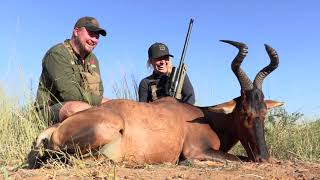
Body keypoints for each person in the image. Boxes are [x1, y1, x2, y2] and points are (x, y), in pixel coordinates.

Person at [35, 16, 109, 124]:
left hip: (88, 107)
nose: (94, 39)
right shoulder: (58, 54)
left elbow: (99, 91)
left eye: (97, 36)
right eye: (91, 34)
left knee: (118, 107)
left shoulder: (93, 59)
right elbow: (71, 94)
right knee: (76, 108)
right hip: (51, 111)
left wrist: (112, 105)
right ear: (76, 32)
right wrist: (102, 104)